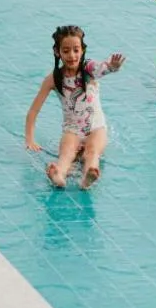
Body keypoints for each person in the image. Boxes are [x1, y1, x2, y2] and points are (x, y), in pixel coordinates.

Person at [25, 25, 124, 189]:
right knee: (66, 153)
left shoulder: (89, 69)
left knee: (92, 152)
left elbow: (103, 68)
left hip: (96, 128)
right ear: (58, 52)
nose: (72, 55)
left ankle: (88, 177)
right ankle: (58, 174)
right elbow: (33, 110)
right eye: (66, 51)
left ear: (82, 50)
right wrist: (29, 138)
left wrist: (113, 67)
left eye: (76, 50)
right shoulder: (53, 79)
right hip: (72, 130)